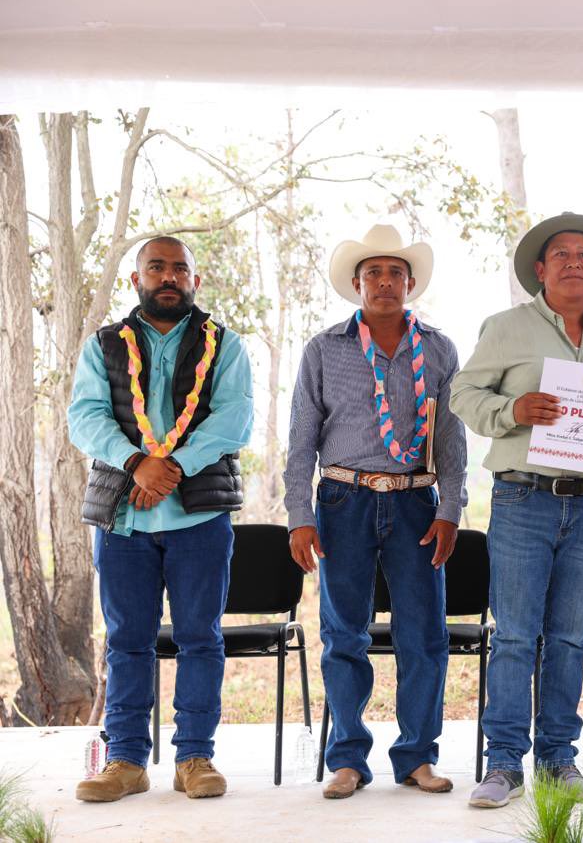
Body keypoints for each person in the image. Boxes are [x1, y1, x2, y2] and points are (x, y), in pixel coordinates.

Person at [284, 224, 467, 799]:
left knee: (424, 633)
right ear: (357, 284)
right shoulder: (324, 348)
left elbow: (452, 437)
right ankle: (348, 760)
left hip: (416, 500)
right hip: (344, 499)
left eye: (395, 274)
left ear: (410, 282)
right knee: (343, 633)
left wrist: (452, 508)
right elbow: (301, 438)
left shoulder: (437, 348)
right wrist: (299, 515)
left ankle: (417, 757)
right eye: (373, 274)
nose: (385, 283)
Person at [69, 236, 253, 802]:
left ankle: (195, 757)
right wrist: (136, 466)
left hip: (199, 518)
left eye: (180, 269)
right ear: (137, 280)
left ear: (195, 281)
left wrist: (169, 467)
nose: (169, 277)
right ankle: (125, 762)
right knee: (127, 642)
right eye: (157, 267)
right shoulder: (104, 344)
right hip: (124, 520)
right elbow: (85, 416)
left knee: (201, 638)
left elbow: (234, 417)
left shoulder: (225, 345)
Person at [451, 212, 583, 808]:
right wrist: (514, 410)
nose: (574, 262)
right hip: (523, 498)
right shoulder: (505, 327)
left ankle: (557, 759)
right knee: (516, 638)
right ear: (539, 269)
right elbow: (462, 394)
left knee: (571, 638)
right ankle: (502, 765)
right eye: (561, 254)